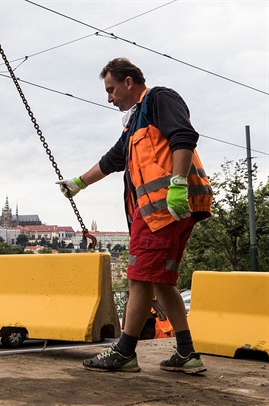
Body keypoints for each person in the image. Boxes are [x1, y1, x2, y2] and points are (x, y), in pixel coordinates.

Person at [57, 57, 212, 374]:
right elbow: (113, 159)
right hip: (165, 209)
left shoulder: (159, 98)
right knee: (162, 282)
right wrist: (78, 183)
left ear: (129, 82)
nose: (109, 97)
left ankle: (125, 351)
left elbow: (183, 136)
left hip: (163, 209)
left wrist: (178, 184)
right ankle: (187, 352)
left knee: (139, 276)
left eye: (111, 89)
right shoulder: (135, 123)